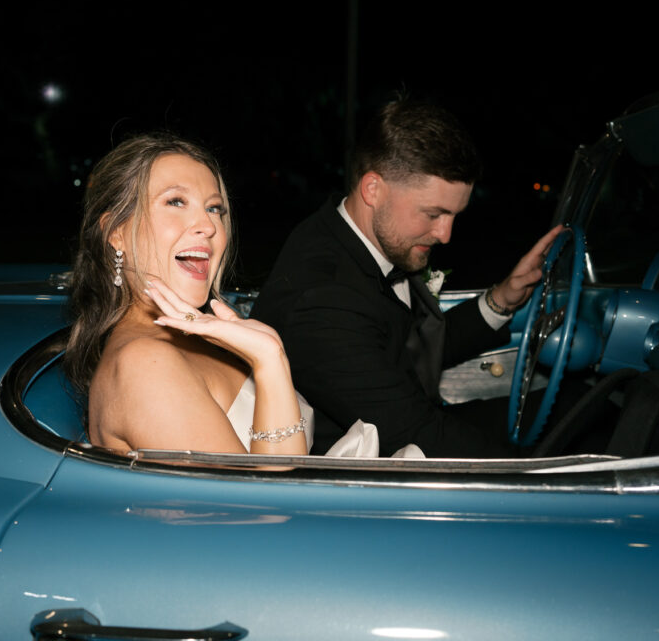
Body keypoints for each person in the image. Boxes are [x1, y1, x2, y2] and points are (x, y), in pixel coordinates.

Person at [64, 132, 414, 458]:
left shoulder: (197, 333)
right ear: (116, 233)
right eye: (176, 201)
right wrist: (269, 359)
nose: (209, 226)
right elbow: (262, 500)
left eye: (214, 208)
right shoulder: (143, 365)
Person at [250, 97, 564, 457]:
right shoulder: (324, 300)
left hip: (412, 416)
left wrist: (501, 299)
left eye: (455, 215)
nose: (445, 234)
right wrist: (533, 470)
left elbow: (413, 348)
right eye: (433, 214)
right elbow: (416, 433)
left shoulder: (363, 237)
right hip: (375, 463)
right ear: (373, 189)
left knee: (573, 405)